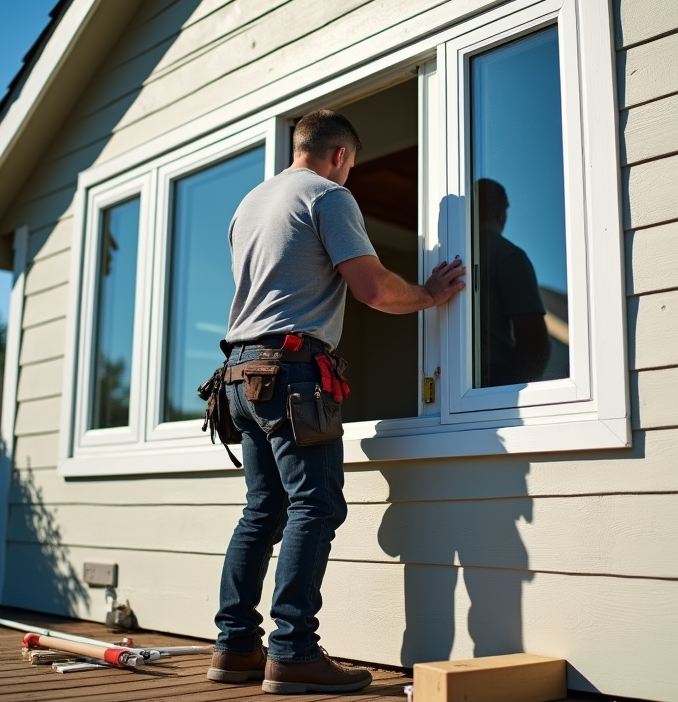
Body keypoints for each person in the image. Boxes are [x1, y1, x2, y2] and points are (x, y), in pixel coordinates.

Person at [208, 109, 465, 695]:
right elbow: (372, 289)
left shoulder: (250, 204)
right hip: (292, 373)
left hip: (239, 375)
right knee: (314, 507)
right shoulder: (327, 197)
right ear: (341, 156)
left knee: (262, 512)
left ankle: (235, 647)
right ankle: (293, 652)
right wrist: (428, 295)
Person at [474, 179, 550, 387]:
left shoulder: (444, 255)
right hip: (494, 383)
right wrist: (513, 392)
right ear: (502, 214)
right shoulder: (508, 256)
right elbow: (534, 342)